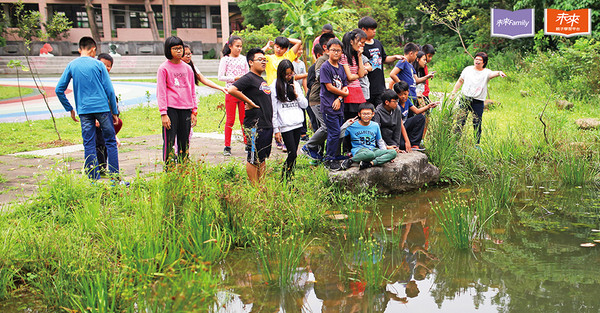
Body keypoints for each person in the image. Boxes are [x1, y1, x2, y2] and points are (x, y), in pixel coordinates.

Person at [55, 36, 121, 181]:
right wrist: (114, 112)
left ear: (79, 49)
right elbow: (109, 90)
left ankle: (93, 179)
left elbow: (59, 89)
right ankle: (115, 178)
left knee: (89, 143)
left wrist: (70, 109)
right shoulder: (98, 65)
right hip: (102, 109)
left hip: (84, 110)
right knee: (110, 141)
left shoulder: (72, 65)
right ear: (93, 50)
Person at [228, 48, 273, 184]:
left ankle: (261, 185)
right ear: (251, 62)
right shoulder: (248, 77)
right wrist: (249, 102)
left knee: (262, 157)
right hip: (254, 124)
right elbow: (232, 89)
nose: (263, 62)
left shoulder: (260, 79)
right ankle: (254, 188)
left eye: (264, 60)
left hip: (266, 123)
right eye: (260, 60)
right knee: (253, 157)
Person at [157, 36, 197, 168]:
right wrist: (164, 113)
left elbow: (192, 90)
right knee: (169, 140)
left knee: (184, 140)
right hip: (170, 109)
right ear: (169, 50)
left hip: (186, 108)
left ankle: (183, 167)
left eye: (180, 48)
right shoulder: (163, 68)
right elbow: (161, 91)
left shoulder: (188, 69)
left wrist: (194, 111)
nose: (179, 51)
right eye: (175, 49)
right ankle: (169, 168)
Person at [181, 44, 228, 154]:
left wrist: (220, 88)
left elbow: (203, 79)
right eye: (186, 54)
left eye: (190, 54)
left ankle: (184, 154)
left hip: (189, 103)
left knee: (188, 130)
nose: (188, 56)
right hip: (177, 103)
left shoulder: (191, 67)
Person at [451, 52, 506, 145]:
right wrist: (453, 93)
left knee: (477, 123)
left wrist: (499, 73)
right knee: (460, 121)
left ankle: (477, 144)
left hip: (478, 101)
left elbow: (493, 73)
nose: (477, 61)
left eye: (480, 60)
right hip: (465, 98)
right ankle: (455, 142)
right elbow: (460, 81)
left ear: (484, 62)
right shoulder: (467, 69)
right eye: (476, 59)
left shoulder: (486, 72)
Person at [270, 60, 308, 180]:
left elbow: (305, 105)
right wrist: (276, 130)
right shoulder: (274, 86)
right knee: (292, 153)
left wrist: (297, 95)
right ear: (281, 73)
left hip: (297, 123)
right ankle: (284, 179)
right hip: (286, 125)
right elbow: (274, 110)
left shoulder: (295, 84)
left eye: (291, 73)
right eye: (286, 74)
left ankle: (289, 179)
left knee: (294, 154)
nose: (289, 76)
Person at [301, 32, 337, 161]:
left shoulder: (333, 60)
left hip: (325, 99)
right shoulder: (322, 61)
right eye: (333, 46)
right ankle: (308, 147)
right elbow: (321, 80)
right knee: (326, 127)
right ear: (325, 48)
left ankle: (320, 153)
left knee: (328, 127)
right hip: (317, 99)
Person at [358, 16, 404, 107]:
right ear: (363, 29)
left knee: (381, 111)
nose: (374, 31)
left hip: (380, 86)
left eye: (375, 29)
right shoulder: (360, 46)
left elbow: (384, 59)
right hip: (366, 87)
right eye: (372, 29)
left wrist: (395, 57)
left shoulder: (377, 43)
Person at [339, 103, 397, 170]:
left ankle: (369, 163)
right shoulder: (353, 125)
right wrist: (347, 124)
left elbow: (380, 141)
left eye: (368, 114)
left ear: (373, 114)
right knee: (370, 154)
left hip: (373, 149)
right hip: (359, 150)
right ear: (359, 114)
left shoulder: (375, 125)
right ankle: (351, 160)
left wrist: (385, 155)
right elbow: (339, 135)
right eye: (364, 114)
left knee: (393, 153)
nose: (366, 116)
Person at [319, 38, 349, 170]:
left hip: (339, 105)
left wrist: (339, 98)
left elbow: (345, 87)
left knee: (339, 132)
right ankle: (329, 158)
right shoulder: (325, 67)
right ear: (327, 50)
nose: (336, 53)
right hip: (328, 106)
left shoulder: (341, 68)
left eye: (338, 50)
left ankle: (336, 155)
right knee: (334, 132)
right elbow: (329, 87)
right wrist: (341, 96)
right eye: (333, 50)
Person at [218, 36, 249, 156]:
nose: (239, 49)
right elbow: (220, 77)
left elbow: (248, 74)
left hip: (243, 92)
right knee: (230, 120)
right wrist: (234, 78)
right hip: (231, 91)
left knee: (244, 120)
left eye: (241, 46)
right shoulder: (225, 60)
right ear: (230, 46)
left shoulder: (244, 59)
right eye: (237, 46)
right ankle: (227, 146)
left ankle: (247, 144)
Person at [340, 29, 368, 154]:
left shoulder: (356, 56)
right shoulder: (344, 56)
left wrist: (360, 56)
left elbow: (361, 74)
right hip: (349, 92)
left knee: (358, 121)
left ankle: (356, 148)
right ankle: (347, 149)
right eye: (360, 42)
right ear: (351, 41)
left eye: (363, 43)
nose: (361, 45)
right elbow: (349, 77)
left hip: (358, 92)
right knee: (349, 122)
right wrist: (357, 74)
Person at [94, 53, 123, 174]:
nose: (106, 67)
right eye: (103, 64)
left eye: (109, 65)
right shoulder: (94, 80)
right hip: (97, 115)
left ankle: (104, 167)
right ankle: (99, 167)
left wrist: (115, 114)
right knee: (98, 143)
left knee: (107, 143)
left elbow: (112, 99)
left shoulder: (107, 80)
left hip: (108, 116)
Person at [392, 81, 439, 151]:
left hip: (405, 126)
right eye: (400, 94)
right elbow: (400, 124)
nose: (403, 96)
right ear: (396, 94)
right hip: (398, 129)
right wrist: (406, 141)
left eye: (405, 94)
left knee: (420, 117)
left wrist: (429, 106)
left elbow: (417, 111)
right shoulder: (395, 105)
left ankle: (415, 144)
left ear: (408, 91)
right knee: (402, 145)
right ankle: (408, 142)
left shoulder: (407, 101)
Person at [292, 46, 311, 142]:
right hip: (291, 91)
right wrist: (307, 74)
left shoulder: (302, 63)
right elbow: (293, 77)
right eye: (298, 49)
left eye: (301, 50)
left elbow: (304, 79)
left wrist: (307, 91)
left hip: (299, 91)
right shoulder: (290, 63)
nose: (299, 51)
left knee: (302, 110)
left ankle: (303, 132)